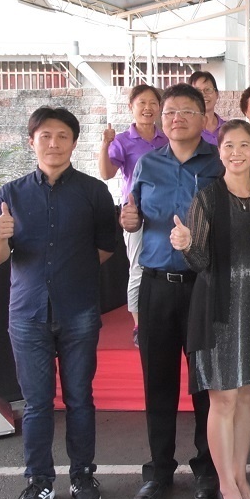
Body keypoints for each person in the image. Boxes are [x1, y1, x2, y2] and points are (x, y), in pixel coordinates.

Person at [0, 107, 117, 499]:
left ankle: (82, 477)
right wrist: (1, 238)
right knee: (39, 404)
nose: (54, 144)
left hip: (78, 310)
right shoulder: (11, 194)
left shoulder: (94, 192)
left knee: (80, 399)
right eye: (45, 136)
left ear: (74, 143)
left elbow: (106, 246)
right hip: (27, 315)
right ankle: (38, 482)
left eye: (62, 136)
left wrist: (71, 272)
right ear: (31, 142)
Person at [122, 83, 224, 499]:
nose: (176, 117)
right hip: (157, 285)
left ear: (204, 118)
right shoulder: (147, 164)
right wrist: (129, 220)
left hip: (203, 286)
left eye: (186, 110)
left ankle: (207, 469)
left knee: (205, 382)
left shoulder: (219, 163)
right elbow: (135, 217)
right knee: (158, 381)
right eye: (169, 112)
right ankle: (159, 471)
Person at [171, 120, 250, 499]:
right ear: (220, 152)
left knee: (248, 396)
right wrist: (185, 245)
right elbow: (200, 262)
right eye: (228, 145)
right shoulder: (208, 198)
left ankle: (241, 476)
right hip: (218, 309)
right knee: (224, 398)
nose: (236, 152)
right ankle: (226, 486)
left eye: (243, 145)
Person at [98, 83, 167, 342]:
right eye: (142, 103)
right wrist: (105, 145)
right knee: (138, 267)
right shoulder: (123, 141)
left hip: (167, 213)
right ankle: (139, 326)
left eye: (153, 103)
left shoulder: (166, 138)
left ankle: (163, 319)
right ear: (131, 107)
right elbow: (106, 173)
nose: (148, 108)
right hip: (135, 215)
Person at [189, 70, 224, 146]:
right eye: (197, 91)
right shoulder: (186, 129)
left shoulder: (228, 128)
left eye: (208, 90)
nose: (203, 95)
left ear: (217, 94)